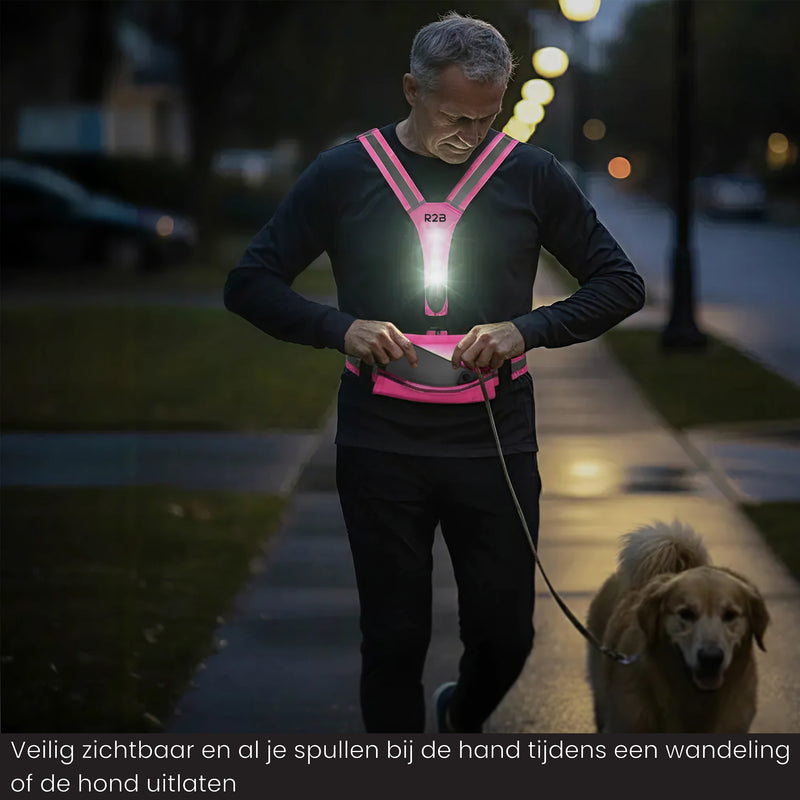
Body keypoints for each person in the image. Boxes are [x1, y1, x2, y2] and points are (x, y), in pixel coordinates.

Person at [224, 12, 645, 734]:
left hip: (495, 438)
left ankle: (463, 714)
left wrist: (526, 330)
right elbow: (250, 282)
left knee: (508, 635)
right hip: (381, 440)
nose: (471, 135)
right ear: (410, 89)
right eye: (455, 116)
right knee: (394, 639)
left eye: (489, 117)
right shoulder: (345, 171)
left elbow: (620, 283)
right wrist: (340, 328)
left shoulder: (531, 175)